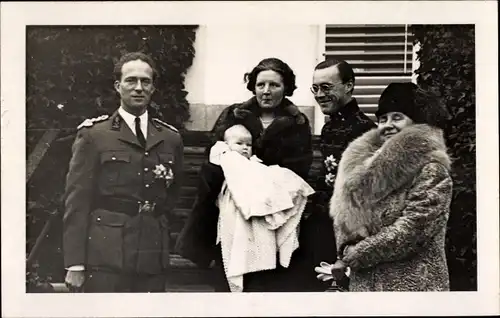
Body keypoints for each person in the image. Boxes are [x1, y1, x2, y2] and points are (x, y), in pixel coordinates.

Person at [175, 57, 314, 292]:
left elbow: (298, 170)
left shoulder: (297, 123)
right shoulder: (234, 115)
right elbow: (214, 158)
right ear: (253, 86)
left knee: (266, 280)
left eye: (274, 85)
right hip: (232, 207)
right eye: (261, 85)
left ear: (286, 87)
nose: (266, 92)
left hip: (274, 210)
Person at [63, 52, 184, 292]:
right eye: (131, 80)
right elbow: (77, 201)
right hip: (105, 254)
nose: (138, 87)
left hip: (151, 252)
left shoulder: (170, 138)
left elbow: (172, 194)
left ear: (153, 88)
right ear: (118, 86)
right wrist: (75, 263)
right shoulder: (95, 135)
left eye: (145, 81)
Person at [316, 82, 452, 291]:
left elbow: (413, 229)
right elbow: (346, 221)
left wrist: (355, 254)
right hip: (364, 287)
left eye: (397, 117)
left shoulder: (431, 169)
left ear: (417, 123)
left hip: (412, 288)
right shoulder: (361, 168)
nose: (388, 124)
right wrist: (343, 255)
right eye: (382, 119)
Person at [208, 124, 314, 292]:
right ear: (226, 145)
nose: (244, 148)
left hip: (257, 225)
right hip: (234, 220)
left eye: (248, 145)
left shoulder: (257, 166)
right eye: (239, 143)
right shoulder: (227, 160)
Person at [301, 59, 377, 291]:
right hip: (323, 223)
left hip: (348, 230)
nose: (320, 94)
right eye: (316, 88)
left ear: (349, 86)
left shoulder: (365, 130)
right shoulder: (329, 127)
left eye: (327, 87)